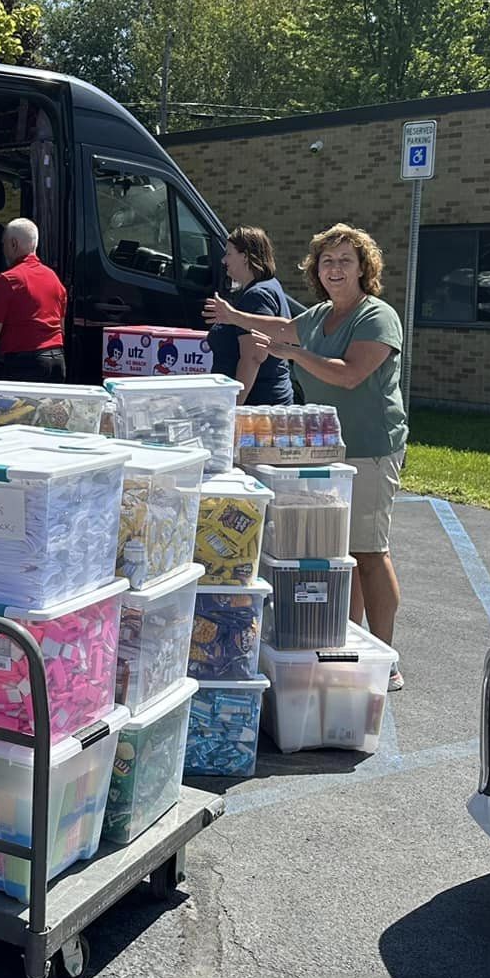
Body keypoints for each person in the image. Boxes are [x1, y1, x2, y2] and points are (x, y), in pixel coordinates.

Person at [203, 222, 409, 687]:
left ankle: (388, 657)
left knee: (369, 551)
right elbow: (285, 326)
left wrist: (289, 353)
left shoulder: (375, 316)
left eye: (345, 261)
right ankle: (350, 641)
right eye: (327, 261)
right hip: (330, 452)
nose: (335, 269)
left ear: (364, 268)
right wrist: (237, 318)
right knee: (340, 552)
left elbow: (350, 374)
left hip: (371, 450)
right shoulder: (322, 314)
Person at [206, 226, 294, 405]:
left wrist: (234, 407)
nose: (223, 260)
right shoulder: (268, 286)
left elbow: (254, 356)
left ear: (245, 256)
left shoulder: (257, 296)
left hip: (258, 406)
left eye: (229, 254)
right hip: (266, 402)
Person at [0, 217, 68, 381]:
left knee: (20, 408)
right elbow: (61, 327)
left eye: (4, 244)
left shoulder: (6, 280)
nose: (3, 249)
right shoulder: (54, 278)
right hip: (57, 362)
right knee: (48, 407)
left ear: (13, 244)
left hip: (26, 364)